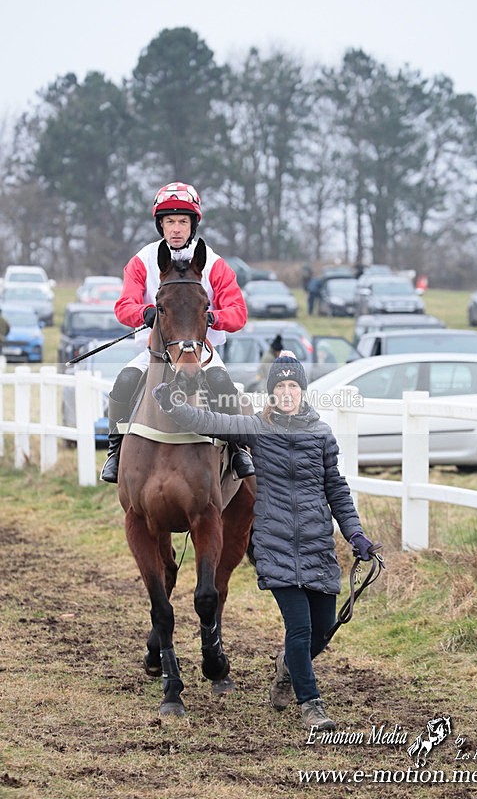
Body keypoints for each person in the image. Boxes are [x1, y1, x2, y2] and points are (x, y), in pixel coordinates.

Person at [152, 352, 381, 732]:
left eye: (293, 386)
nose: (287, 392)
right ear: (272, 393)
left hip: (317, 546)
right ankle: (312, 706)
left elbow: (337, 490)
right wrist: (173, 404)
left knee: (323, 627)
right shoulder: (257, 428)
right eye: (280, 386)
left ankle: (288, 667)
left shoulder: (321, 434)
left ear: (302, 391)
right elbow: (210, 420)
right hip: (276, 546)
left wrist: (355, 533)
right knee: (301, 629)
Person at [100, 181, 254, 483]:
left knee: (225, 387)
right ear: (161, 224)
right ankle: (115, 452)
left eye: (183, 221)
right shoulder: (141, 261)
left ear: (192, 223)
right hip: (157, 351)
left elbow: (239, 314)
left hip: (201, 352)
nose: (176, 228)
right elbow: (123, 305)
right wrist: (143, 312)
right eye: (169, 221)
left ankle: (238, 451)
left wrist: (212, 318)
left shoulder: (216, 264)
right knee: (123, 382)